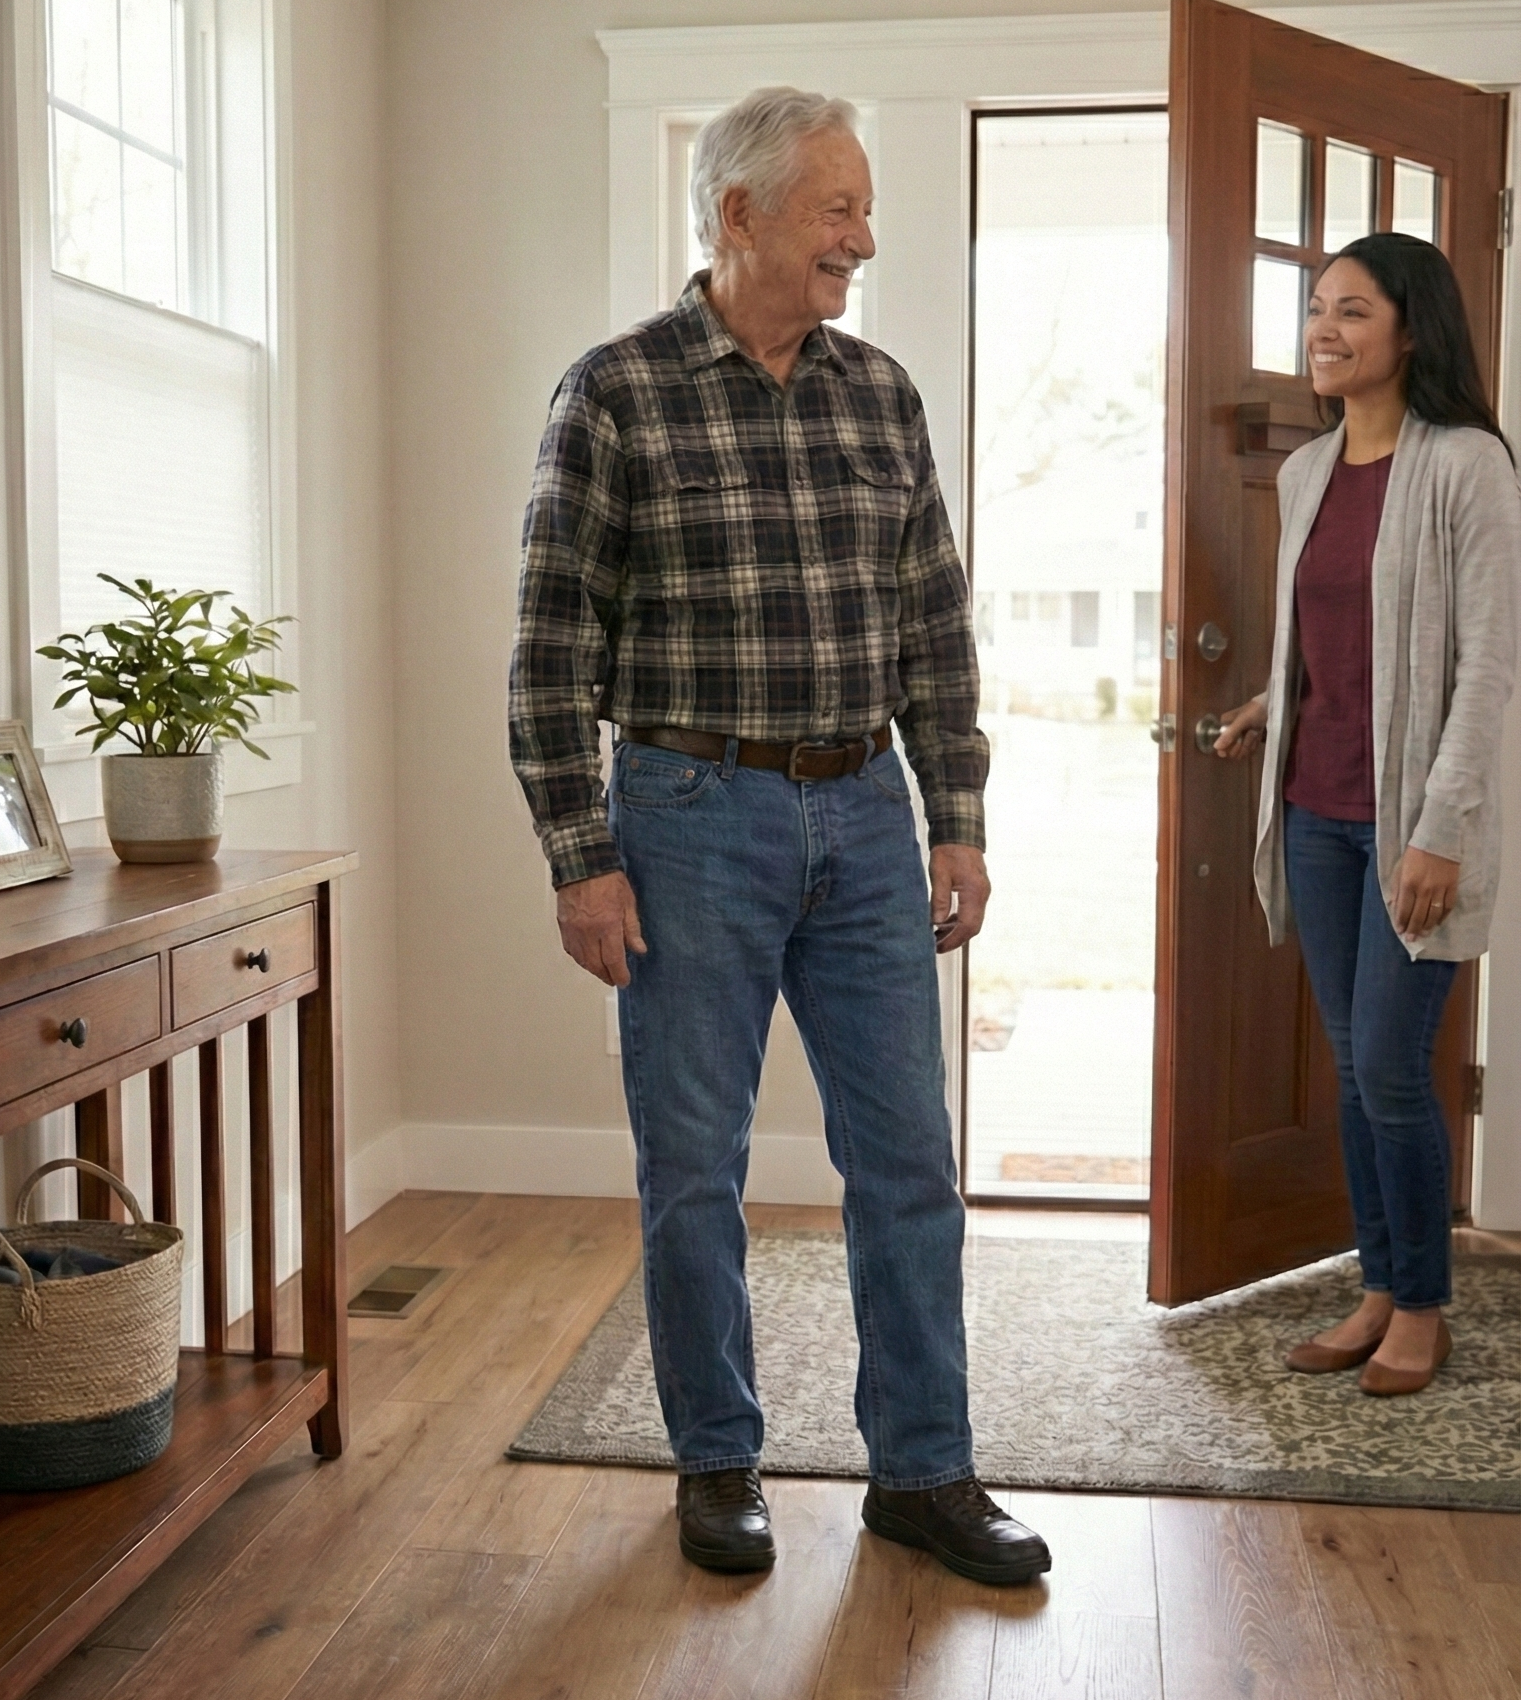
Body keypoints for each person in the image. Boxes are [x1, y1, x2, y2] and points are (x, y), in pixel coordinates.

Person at [508, 86, 1050, 1581]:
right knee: (695, 1163)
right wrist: (580, 857)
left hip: (866, 811)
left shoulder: (882, 395)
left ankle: (923, 1473)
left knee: (909, 1161)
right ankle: (715, 1458)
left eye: (865, 210)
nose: (862, 239)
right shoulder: (614, 392)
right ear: (737, 213)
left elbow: (932, 620)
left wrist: (955, 816)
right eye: (838, 209)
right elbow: (549, 649)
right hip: (687, 816)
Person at [1216, 232, 1519, 1396]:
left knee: (1391, 1068)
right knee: (1353, 1070)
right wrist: (1269, 701)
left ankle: (1424, 1303)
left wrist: (1441, 830)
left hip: (1411, 827)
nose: (1323, 330)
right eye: (1316, 308)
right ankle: (1381, 1285)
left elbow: (1486, 666)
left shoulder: (1466, 465)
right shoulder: (1307, 471)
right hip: (1315, 809)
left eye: (1351, 310)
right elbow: (1329, 638)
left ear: (1410, 328)